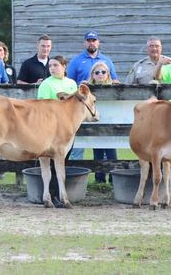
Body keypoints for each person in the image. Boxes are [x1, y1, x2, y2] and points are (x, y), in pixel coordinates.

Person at [37, 56, 78, 208]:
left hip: (68, 129)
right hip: (50, 129)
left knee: (62, 162)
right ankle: (52, 194)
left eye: (55, 65)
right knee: (52, 162)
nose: (52, 68)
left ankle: (60, 194)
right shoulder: (46, 84)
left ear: (64, 66)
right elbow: (41, 107)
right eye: (50, 66)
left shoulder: (72, 84)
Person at [86, 61, 116, 183]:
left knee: (111, 152)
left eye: (103, 72)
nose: (100, 74)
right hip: (95, 123)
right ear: (92, 75)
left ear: (108, 74)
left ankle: (114, 178)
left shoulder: (115, 88)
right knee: (97, 152)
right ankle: (99, 180)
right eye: (97, 72)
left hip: (111, 124)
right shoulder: (87, 89)